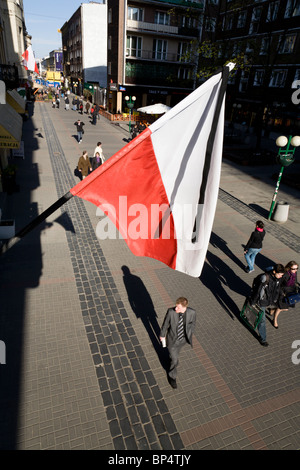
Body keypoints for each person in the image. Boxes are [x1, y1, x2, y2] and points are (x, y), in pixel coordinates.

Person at [160, 297, 196, 389]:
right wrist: (162, 335)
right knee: (175, 360)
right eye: (176, 306)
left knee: (174, 355)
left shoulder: (192, 313)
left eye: (178, 307)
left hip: (182, 340)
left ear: (185, 308)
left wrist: (189, 333)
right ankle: (172, 376)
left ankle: (171, 359)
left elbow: (193, 324)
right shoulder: (171, 312)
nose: (175, 309)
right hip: (172, 340)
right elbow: (165, 324)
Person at [250, 264, 285, 346]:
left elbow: (278, 288)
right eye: (279, 274)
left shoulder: (278, 278)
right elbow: (257, 291)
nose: (280, 276)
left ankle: (270, 310)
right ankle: (263, 339)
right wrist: (253, 302)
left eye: (281, 275)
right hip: (262, 301)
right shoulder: (265, 278)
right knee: (262, 320)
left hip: (270, 300)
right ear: (274, 271)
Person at [269, 261, 299, 328]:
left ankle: (272, 310)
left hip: (290, 292)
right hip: (283, 292)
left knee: (286, 309)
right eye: (293, 269)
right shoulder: (285, 274)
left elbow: (295, 282)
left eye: (297, 268)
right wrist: (282, 293)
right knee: (280, 308)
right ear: (289, 268)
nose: (295, 270)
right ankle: (275, 320)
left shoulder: (294, 273)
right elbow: (279, 284)